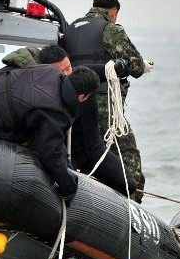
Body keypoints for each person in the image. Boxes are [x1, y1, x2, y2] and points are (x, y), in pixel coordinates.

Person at [0, 65, 100, 200]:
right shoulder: (54, 112)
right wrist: (69, 187)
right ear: (82, 96)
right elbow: (51, 155)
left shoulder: (49, 70)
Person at [63, 0, 150, 203]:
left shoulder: (69, 29)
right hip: (104, 106)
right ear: (114, 12)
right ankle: (134, 208)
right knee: (128, 156)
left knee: (84, 153)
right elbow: (137, 67)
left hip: (72, 104)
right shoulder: (110, 29)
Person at [39, 45, 138, 197]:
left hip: (94, 149)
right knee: (65, 188)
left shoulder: (83, 75)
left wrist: (121, 66)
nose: (67, 74)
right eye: (61, 71)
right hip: (67, 153)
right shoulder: (42, 95)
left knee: (128, 184)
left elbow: (109, 69)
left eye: (68, 68)